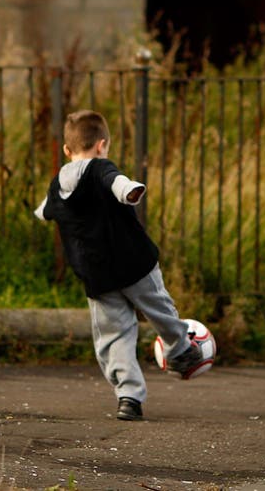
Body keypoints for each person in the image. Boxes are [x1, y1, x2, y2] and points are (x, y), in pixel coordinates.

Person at [35, 109, 203, 421]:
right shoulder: (101, 168)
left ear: (67, 150)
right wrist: (131, 190)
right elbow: (117, 182)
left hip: (96, 274)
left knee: (115, 336)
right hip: (133, 263)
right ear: (101, 145)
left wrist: (44, 212)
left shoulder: (57, 183)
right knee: (159, 308)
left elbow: (47, 210)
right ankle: (180, 349)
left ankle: (129, 398)